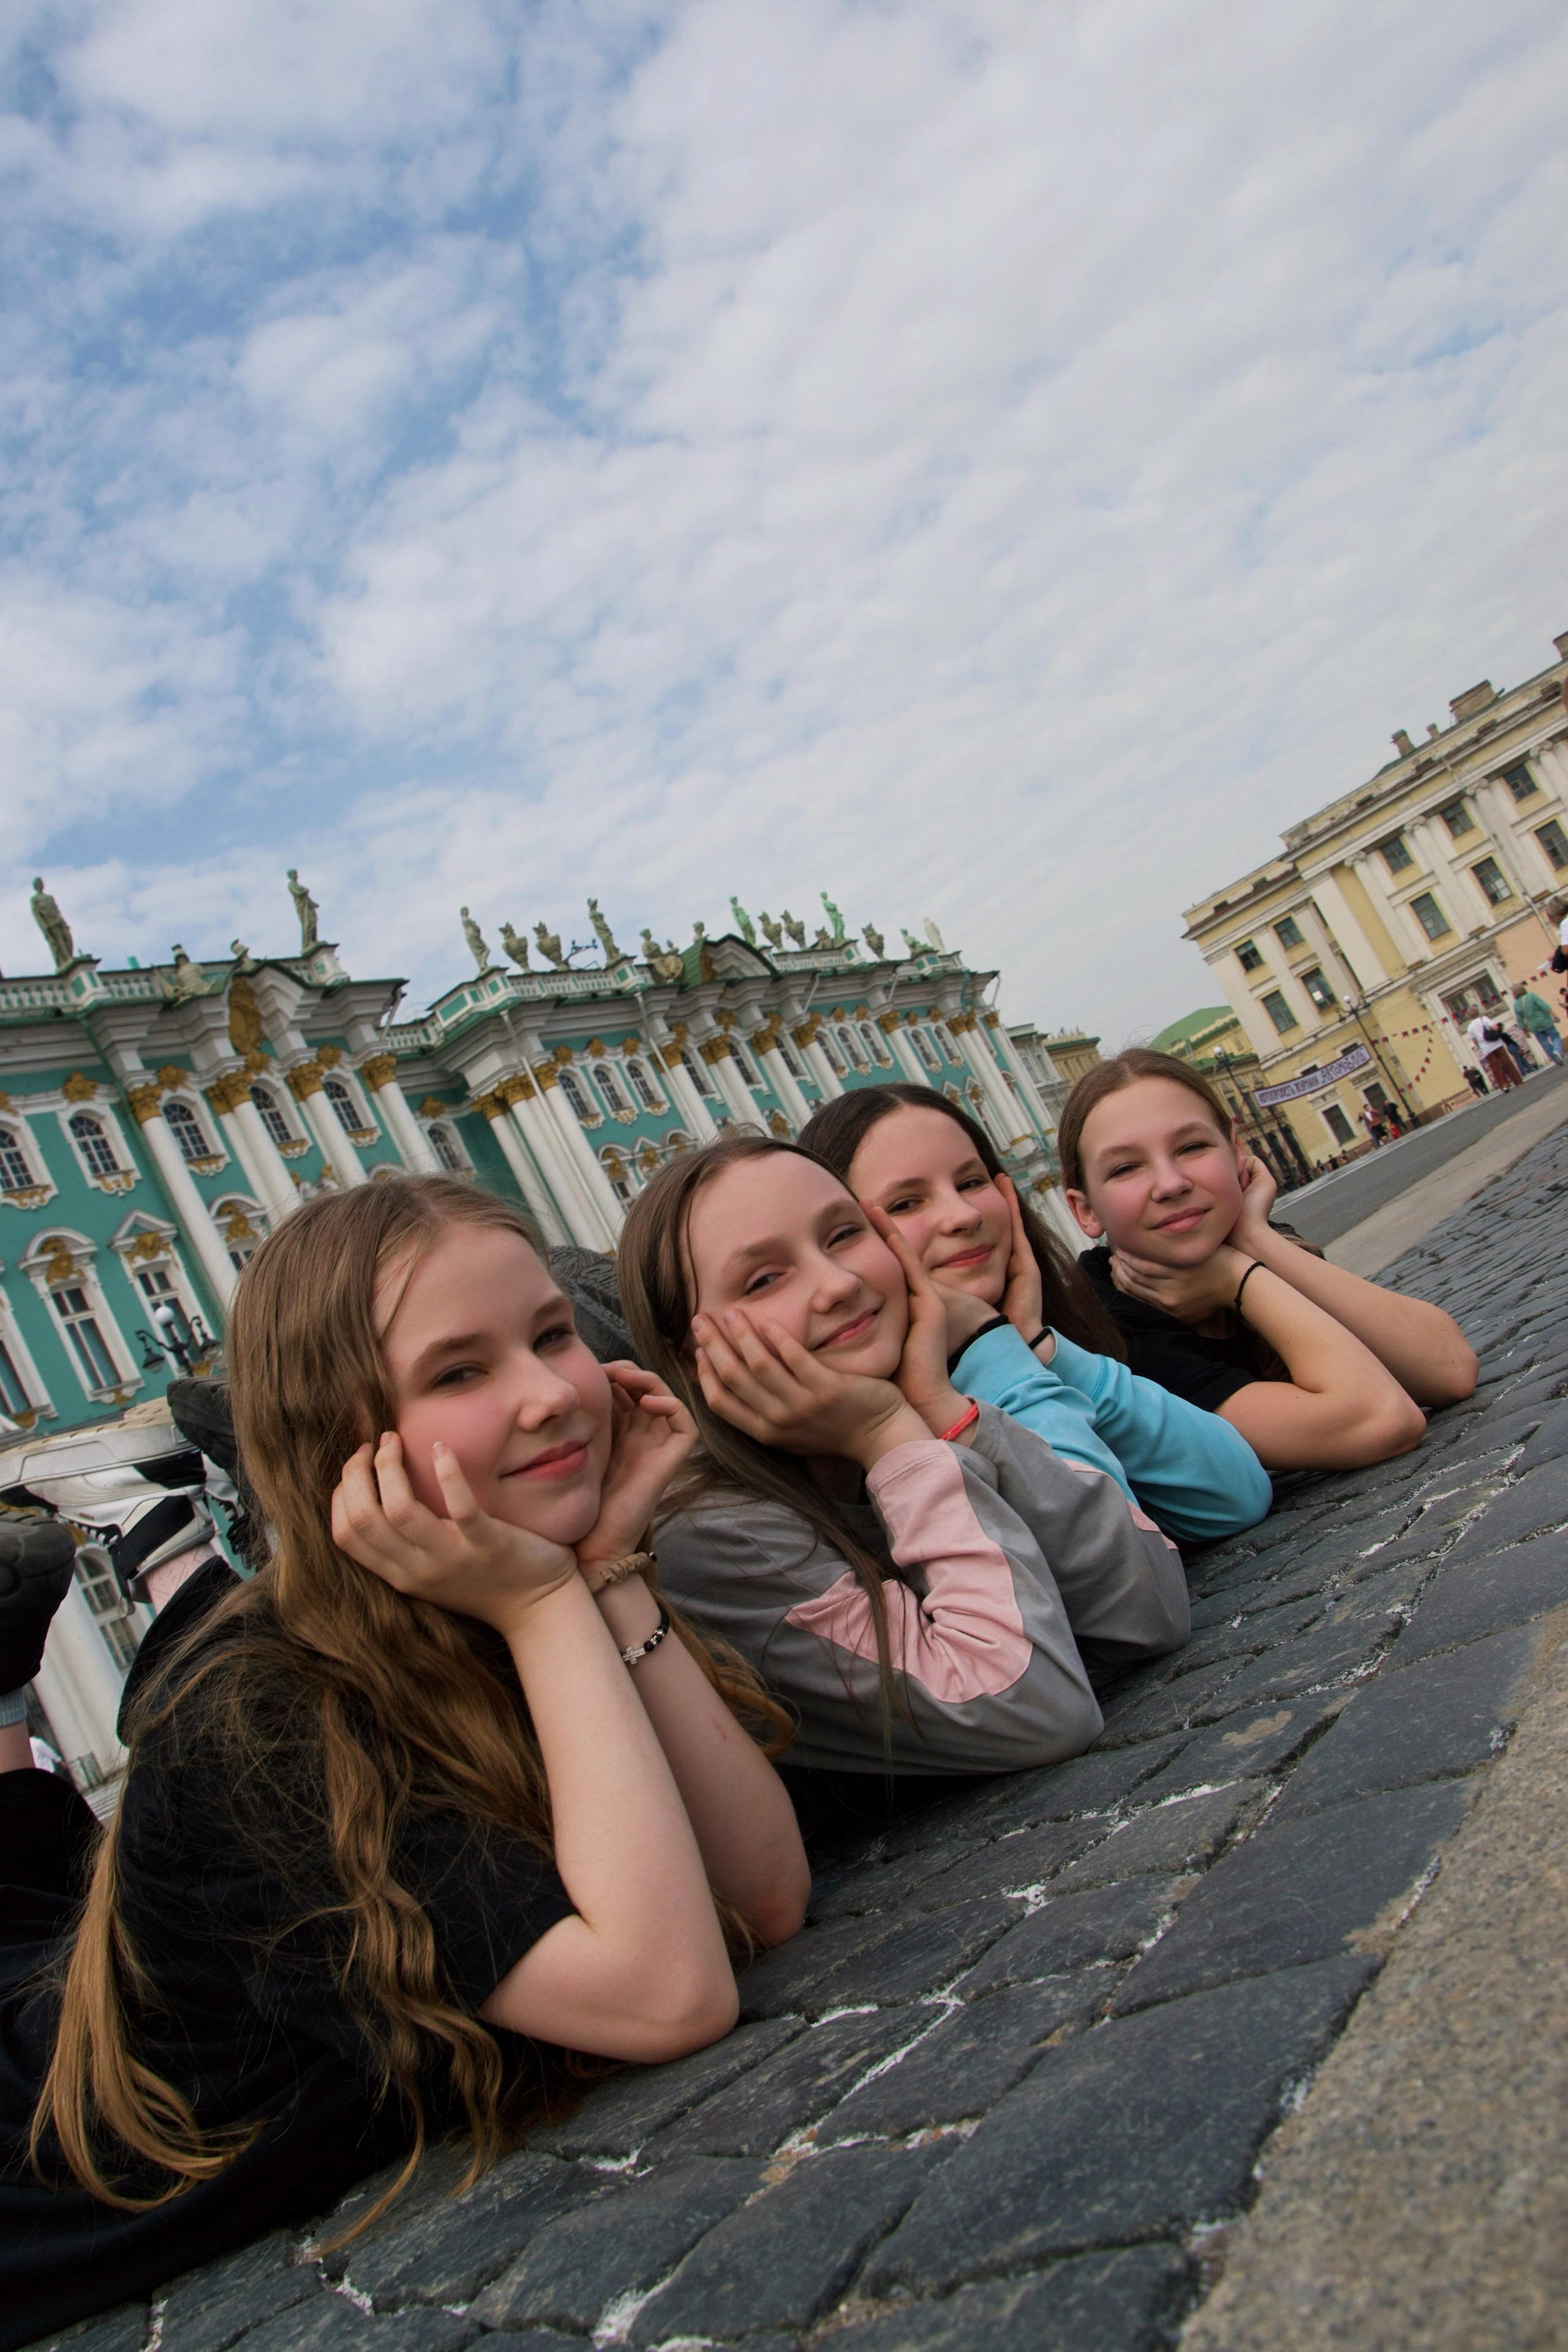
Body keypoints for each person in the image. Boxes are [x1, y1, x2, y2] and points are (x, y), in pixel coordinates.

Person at [1, 1177, 807, 2351]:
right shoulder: (256, 1719)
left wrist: (606, 1570)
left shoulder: (489, 1586)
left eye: (548, 1336)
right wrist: (545, 1603)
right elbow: (667, 1994)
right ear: (343, 1443)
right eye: (459, 1372)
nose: (549, 1396)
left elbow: (765, 1894)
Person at [615, 1134, 1191, 1800]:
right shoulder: (717, 1536)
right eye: (764, 1279)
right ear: (688, 1356)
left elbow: (1151, 1609)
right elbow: (1037, 1710)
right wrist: (889, 1437)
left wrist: (944, 1412)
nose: (839, 1284)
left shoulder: (909, 1411)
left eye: (843, 1235)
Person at [797, 1085, 1270, 1545]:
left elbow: (1235, 1497)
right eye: (905, 1203)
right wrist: (993, 1347)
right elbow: (1123, 1557)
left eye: (971, 1182)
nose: (962, 1215)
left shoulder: (1070, 1333)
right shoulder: (850, 1424)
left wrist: (1029, 1344)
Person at [1056, 1050, 1476, 1473]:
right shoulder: (1107, 1331)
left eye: (1192, 1147)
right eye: (1127, 1168)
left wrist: (1258, 1241)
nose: (1171, 1184)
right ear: (1086, 1210)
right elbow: (1381, 1420)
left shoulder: (1249, 1241)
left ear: (1237, 1153)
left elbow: (1450, 1370)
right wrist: (1235, 1279)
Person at [1466, 1009, 1523, 1091]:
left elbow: (1475, 1041)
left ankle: (1504, 1085)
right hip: (1496, 1044)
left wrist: (1481, 1045)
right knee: (1506, 1063)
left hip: (1486, 1049)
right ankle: (1517, 1082)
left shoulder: (1470, 1028)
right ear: (1477, 1012)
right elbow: (1495, 1027)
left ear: (1469, 1016)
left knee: (1495, 1067)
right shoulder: (1484, 1019)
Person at [1513, 983, 1564, 1066]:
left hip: (1534, 1026)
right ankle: (1557, 1051)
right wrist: (1555, 1015)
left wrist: (1525, 1031)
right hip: (1545, 1021)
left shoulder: (1516, 1005)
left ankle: (1556, 1060)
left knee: (1544, 1043)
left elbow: (1520, 1021)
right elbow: (1545, 1006)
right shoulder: (1532, 996)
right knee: (1555, 1037)